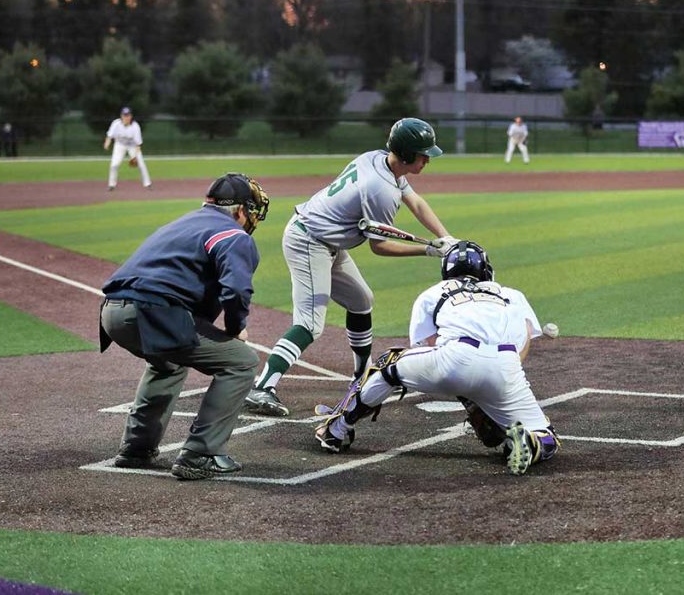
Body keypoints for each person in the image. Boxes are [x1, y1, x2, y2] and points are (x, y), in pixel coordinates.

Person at [244, 117, 460, 418]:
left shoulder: (378, 159)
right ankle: (263, 387)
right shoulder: (379, 190)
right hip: (309, 240)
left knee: (361, 301)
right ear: (407, 154)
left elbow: (416, 201)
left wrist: (445, 237)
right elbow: (379, 246)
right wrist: (426, 250)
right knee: (309, 323)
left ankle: (362, 376)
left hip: (329, 240)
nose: (427, 159)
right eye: (423, 154)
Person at [314, 241, 561, 476]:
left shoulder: (434, 292)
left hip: (455, 359)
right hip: (507, 367)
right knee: (547, 434)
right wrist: (487, 396)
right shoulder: (512, 294)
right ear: (486, 269)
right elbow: (523, 342)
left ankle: (336, 429)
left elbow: (426, 347)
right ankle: (530, 442)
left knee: (389, 364)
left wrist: (466, 391)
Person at [99, 173, 270, 480]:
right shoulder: (234, 235)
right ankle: (201, 454)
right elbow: (236, 291)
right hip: (153, 312)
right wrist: (235, 328)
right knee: (242, 362)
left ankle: (136, 449)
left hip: (111, 313)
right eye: (251, 210)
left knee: (168, 363)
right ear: (240, 211)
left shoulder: (182, 223)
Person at [104, 106, 152, 190]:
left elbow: (138, 144)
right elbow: (109, 135)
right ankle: (111, 185)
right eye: (124, 115)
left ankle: (147, 184)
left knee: (141, 164)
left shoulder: (135, 126)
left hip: (132, 146)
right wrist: (107, 144)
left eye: (128, 115)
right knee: (114, 165)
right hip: (120, 144)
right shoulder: (116, 124)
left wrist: (134, 157)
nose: (126, 117)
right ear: (121, 116)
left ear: (131, 116)